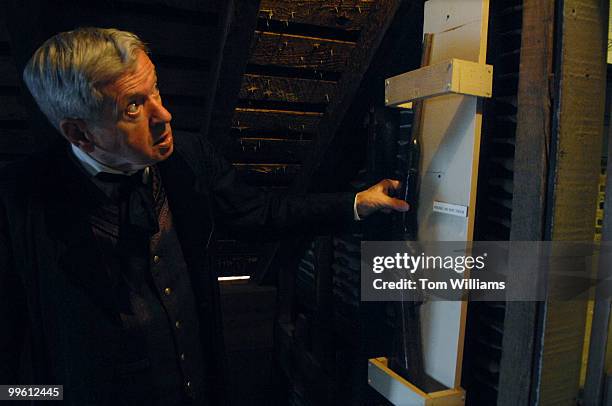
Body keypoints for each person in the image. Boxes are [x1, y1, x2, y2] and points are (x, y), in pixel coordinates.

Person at [0, 27, 410, 405]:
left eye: (155, 89)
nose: (164, 116)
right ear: (79, 133)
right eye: (133, 107)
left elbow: (257, 213)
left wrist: (356, 203)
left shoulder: (190, 156)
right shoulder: (17, 201)